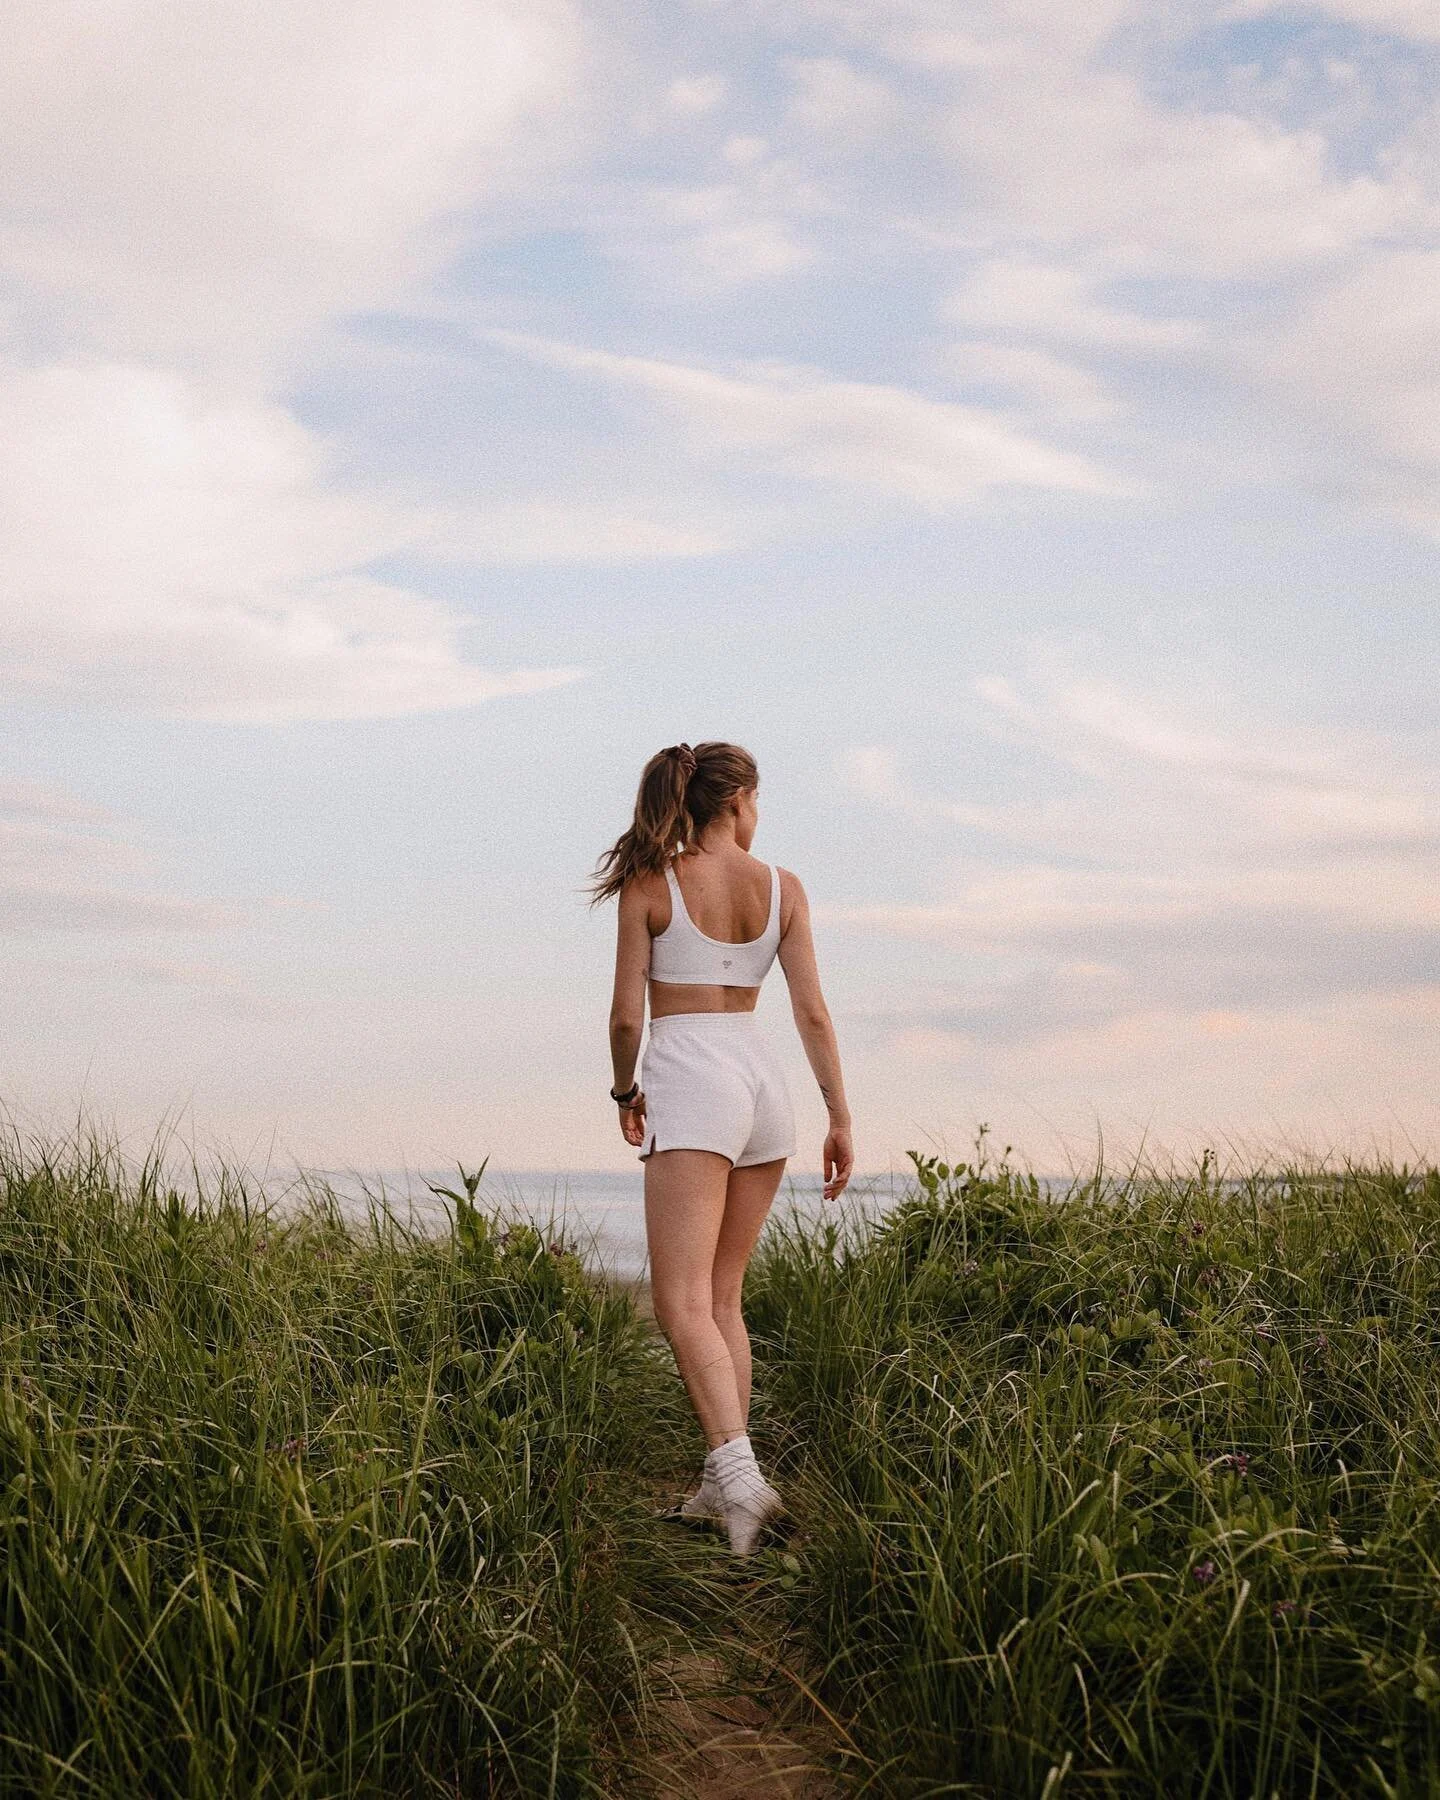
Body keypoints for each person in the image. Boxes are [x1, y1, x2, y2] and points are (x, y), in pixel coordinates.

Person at [592, 740, 853, 1555]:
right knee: (723, 1298)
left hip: (692, 1078)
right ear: (736, 799)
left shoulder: (651, 882)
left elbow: (627, 1017)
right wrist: (839, 1115)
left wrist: (625, 1090)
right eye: (757, 797)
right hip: (764, 1083)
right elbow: (812, 1012)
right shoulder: (784, 888)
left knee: (678, 1304)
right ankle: (719, 1484)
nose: (759, 810)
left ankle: (742, 1483)